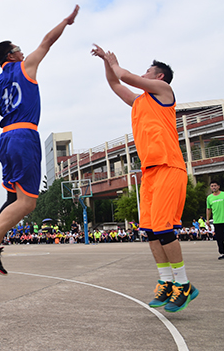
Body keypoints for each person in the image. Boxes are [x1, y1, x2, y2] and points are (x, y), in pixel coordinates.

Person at [0, 5, 79, 276]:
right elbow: (47, 42)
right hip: (24, 136)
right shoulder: (26, 67)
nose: (23, 51)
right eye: (18, 48)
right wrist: (65, 21)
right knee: (28, 202)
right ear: (11, 55)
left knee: (14, 197)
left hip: (5, 139)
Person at [91, 45, 198, 313]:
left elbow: (124, 76)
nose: (143, 74)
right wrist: (106, 62)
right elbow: (116, 84)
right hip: (150, 171)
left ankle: (184, 284)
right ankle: (166, 281)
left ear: (159, 77)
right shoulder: (140, 102)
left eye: (148, 71)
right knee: (149, 230)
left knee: (163, 229)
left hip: (169, 166)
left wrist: (114, 63)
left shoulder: (164, 91)